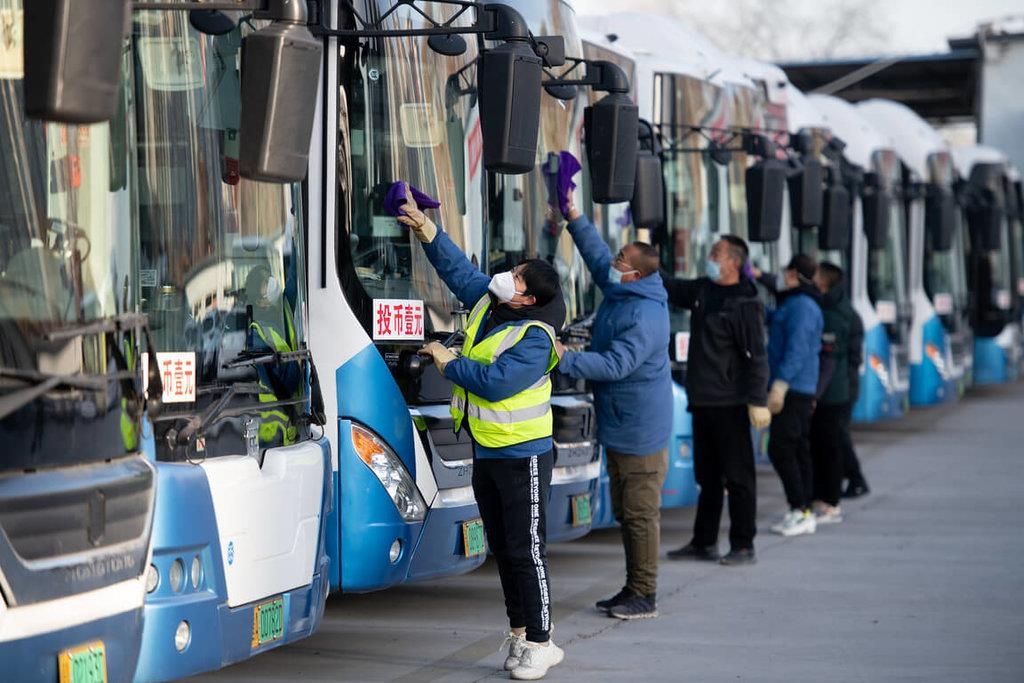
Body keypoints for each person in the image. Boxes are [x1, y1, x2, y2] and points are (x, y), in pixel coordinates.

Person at [396, 183, 567, 681]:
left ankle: (542, 640)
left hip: (524, 456)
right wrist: (428, 230)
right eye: (513, 271)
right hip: (489, 451)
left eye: (516, 278)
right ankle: (519, 633)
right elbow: (459, 271)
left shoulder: (535, 337)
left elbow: (496, 383)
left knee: (526, 548)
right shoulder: (492, 306)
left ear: (528, 298)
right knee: (503, 546)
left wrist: (448, 363)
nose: (506, 278)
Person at [554, 200, 672, 621]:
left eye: (622, 258)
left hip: (640, 430)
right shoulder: (626, 289)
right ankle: (634, 586)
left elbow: (616, 365)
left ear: (636, 272)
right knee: (626, 512)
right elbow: (597, 255)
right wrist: (573, 215)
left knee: (640, 515)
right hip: (622, 424)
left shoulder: (643, 314)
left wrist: (565, 358)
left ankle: (645, 593)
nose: (614, 262)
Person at [662, 236, 770, 567]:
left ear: (734, 263)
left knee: (738, 477)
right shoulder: (704, 291)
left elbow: (757, 357)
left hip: (731, 403)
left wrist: (757, 399)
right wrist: (646, 258)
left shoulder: (745, 303)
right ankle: (704, 541)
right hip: (704, 400)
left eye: (716, 254)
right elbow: (672, 287)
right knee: (707, 477)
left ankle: (742, 544)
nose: (709, 257)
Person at [765, 254, 823, 537]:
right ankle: (802, 510)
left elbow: (797, 349)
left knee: (781, 448)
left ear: (795, 275)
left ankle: (799, 509)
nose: (782, 277)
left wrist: (781, 384)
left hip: (793, 389)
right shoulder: (796, 304)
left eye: (786, 272)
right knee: (797, 449)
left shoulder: (802, 306)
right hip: (798, 387)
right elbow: (776, 320)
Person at [809, 261, 864, 523]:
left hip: (832, 394)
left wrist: (815, 395)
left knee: (829, 448)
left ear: (823, 283)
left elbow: (830, 361)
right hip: (834, 391)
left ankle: (830, 503)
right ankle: (825, 498)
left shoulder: (833, 314)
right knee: (824, 446)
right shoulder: (834, 306)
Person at [245, 265, 300, 447]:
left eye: (269, 277)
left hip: (292, 426)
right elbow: (286, 382)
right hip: (273, 435)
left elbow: (296, 273)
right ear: (260, 302)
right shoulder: (257, 335)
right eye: (264, 282)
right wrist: (298, 361)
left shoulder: (282, 307)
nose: (271, 283)